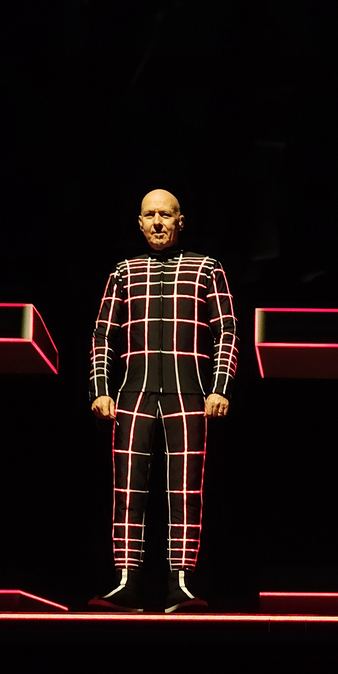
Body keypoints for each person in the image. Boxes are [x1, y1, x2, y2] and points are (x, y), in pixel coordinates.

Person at [87, 189, 238, 613]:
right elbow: (102, 335)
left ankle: (181, 584)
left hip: (189, 393)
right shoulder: (124, 271)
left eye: (165, 215)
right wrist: (100, 389)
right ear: (139, 222)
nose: (157, 222)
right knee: (127, 489)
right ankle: (126, 583)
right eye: (150, 215)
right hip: (132, 393)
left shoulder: (207, 268)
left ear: (179, 221)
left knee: (186, 490)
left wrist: (220, 387)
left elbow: (227, 330)